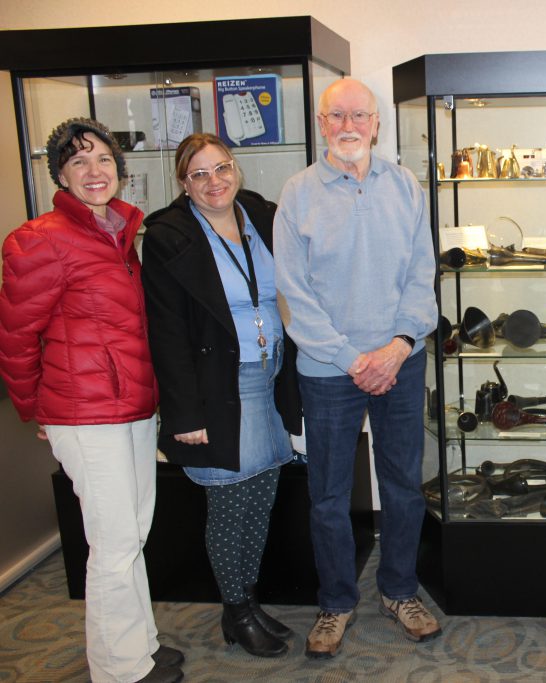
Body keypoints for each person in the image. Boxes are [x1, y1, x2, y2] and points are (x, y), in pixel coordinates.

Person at [0, 118, 183, 683]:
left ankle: (140, 645)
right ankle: (119, 669)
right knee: (114, 541)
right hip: (85, 412)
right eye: (78, 162)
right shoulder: (40, 239)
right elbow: (15, 334)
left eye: (102, 159)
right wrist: (40, 410)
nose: (93, 171)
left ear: (119, 172)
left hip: (131, 407)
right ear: (60, 174)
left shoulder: (120, 235)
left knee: (134, 530)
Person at [274, 78, 440, 659]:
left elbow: (423, 277)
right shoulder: (296, 194)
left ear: (376, 123)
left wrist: (396, 346)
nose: (348, 125)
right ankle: (336, 602)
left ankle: (399, 591)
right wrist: (351, 359)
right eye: (336, 115)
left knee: (403, 488)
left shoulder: (406, 186)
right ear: (322, 124)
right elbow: (292, 295)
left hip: (401, 363)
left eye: (359, 115)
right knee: (327, 496)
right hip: (328, 372)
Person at [141, 133, 303, 658]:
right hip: (216, 389)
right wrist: (185, 412)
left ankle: (248, 603)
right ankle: (234, 611)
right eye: (199, 174)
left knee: (261, 499)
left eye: (222, 168)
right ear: (183, 183)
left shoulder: (259, 214)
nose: (215, 182)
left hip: (269, 377)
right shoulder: (169, 236)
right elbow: (164, 332)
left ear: (237, 169)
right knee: (229, 503)